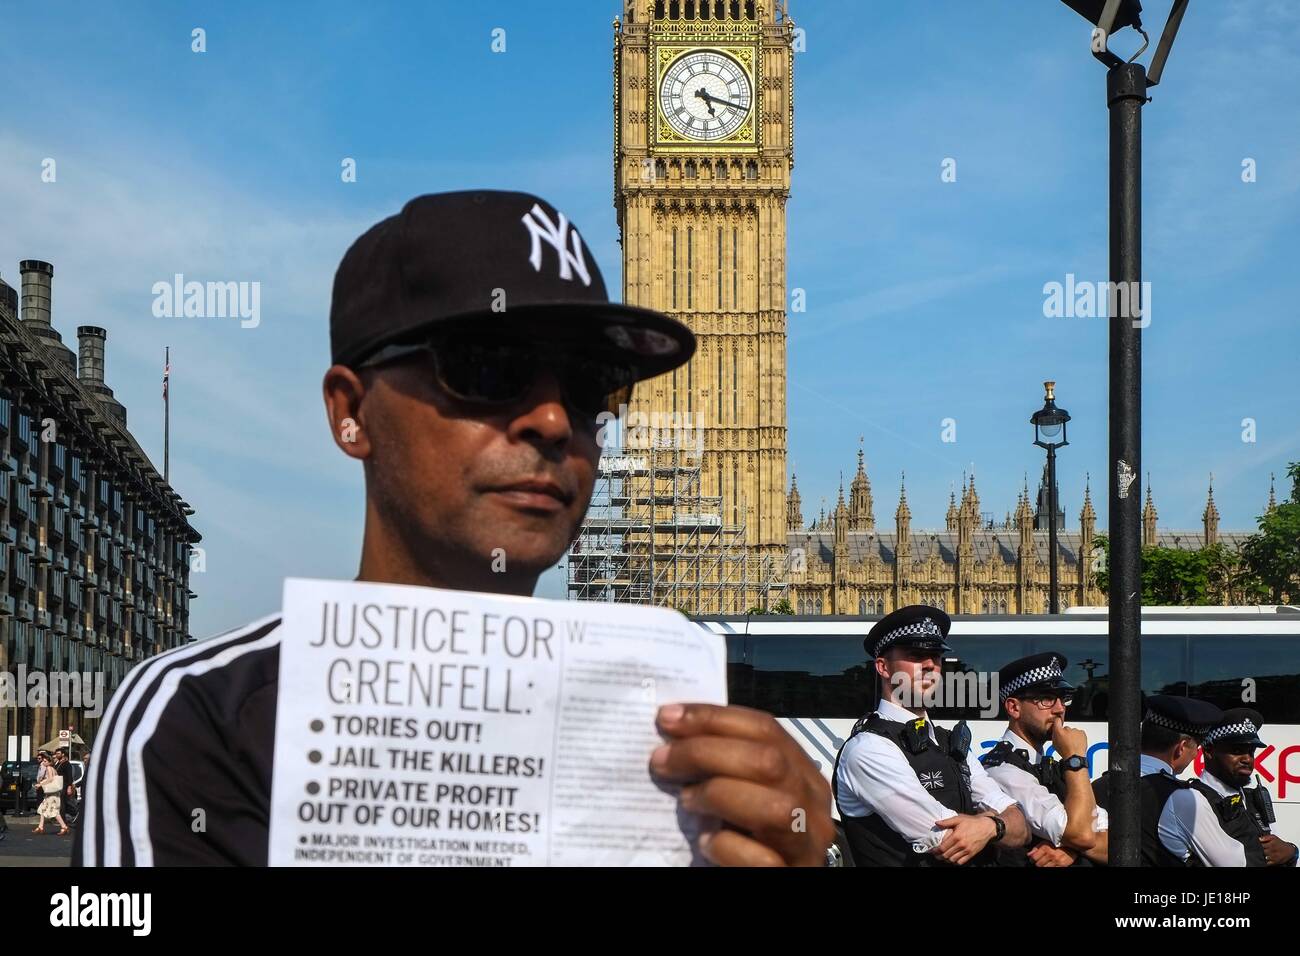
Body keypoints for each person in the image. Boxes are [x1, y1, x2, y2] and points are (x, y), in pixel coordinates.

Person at [76, 190, 835, 867]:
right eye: (488, 366)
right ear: (350, 412)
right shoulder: (196, 723)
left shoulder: (681, 747)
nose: (551, 419)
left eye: (588, 387)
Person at [832, 604, 1029, 866]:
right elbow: (947, 841)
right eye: (915, 655)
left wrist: (991, 827)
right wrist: (996, 822)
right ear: (883, 667)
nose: (930, 665)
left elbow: (1021, 826)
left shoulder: (949, 742)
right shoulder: (868, 748)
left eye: (935, 656)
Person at [980, 652, 1107, 866]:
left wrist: (1070, 849)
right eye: (1046, 699)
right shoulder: (1003, 770)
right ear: (1014, 708)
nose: (1060, 709)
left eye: (1063, 698)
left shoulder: (1050, 765)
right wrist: (1075, 758)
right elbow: (1084, 836)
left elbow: (1118, 844)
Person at [1093, 694, 1244, 866]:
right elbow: (1233, 862)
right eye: (1197, 747)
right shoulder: (1182, 798)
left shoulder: (1096, 786)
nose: (1196, 755)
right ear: (1182, 747)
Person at [1195, 708, 1298, 867]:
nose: (1247, 759)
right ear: (1209, 750)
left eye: (1251, 752)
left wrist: (1292, 851)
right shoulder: (1194, 799)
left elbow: (1277, 850)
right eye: (1237, 751)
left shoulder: (1253, 796)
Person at [34, 753, 68, 836]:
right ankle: (40, 827)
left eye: (45, 761)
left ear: (49, 762)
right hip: (53, 793)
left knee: (54, 811)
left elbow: (50, 779)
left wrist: (40, 784)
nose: (43, 762)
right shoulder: (53, 768)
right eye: (43, 761)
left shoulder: (49, 768)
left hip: (52, 794)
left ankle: (64, 826)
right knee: (43, 808)